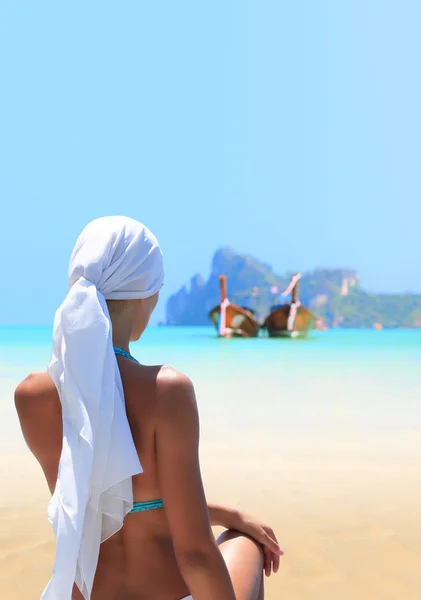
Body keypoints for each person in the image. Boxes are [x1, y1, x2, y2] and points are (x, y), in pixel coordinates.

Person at [14, 216, 283, 600]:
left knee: (237, 526)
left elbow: (103, 497)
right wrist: (234, 524)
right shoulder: (166, 390)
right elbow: (194, 554)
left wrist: (227, 512)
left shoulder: (32, 395)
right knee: (243, 543)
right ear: (147, 295)